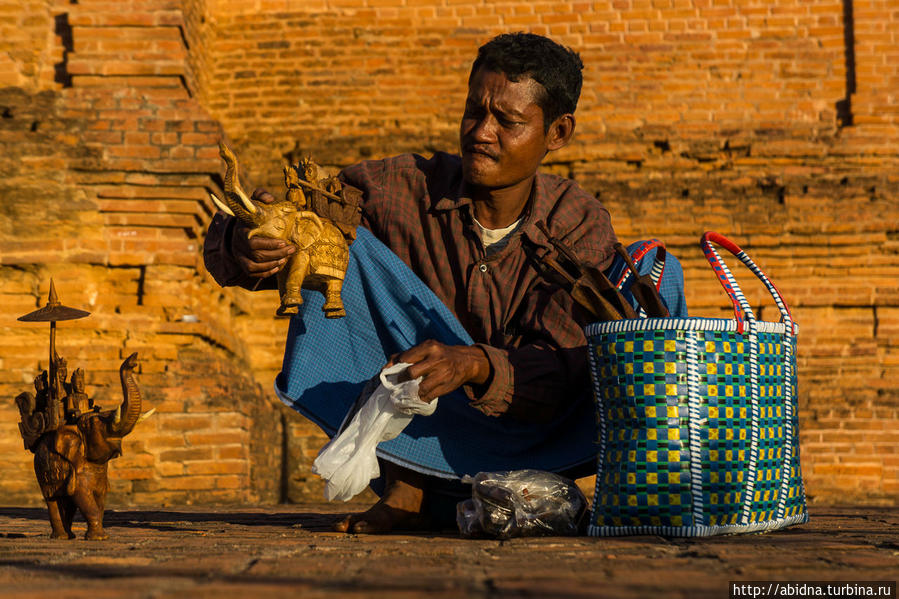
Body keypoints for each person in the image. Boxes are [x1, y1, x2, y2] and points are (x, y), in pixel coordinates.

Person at [204, 32, 685, 533]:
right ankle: (407, 487)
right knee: (336, 240)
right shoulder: (398, 187)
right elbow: (282, 229)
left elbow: (561, 370)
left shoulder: (577, 223)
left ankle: (617, 492)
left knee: (651, 275)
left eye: (509, 122)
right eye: (474, 112)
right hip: (417, 423)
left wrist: (476, 364)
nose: (482, 132)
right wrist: (246, 239)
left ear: (558, 133)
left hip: (545, 437)